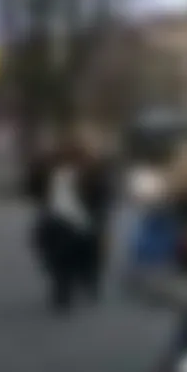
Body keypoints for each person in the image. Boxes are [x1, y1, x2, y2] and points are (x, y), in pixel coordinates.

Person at [28, 136, 98, 313]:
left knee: (69, 258)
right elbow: (33, 188)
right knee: (53, 255)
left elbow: (100, 195)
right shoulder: (49, 171)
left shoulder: (89, 173)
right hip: (54, 220)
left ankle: (64, 290)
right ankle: (63, 286)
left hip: (78, 221)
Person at [74, 127, 118, 299]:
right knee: (85, 249)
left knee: (93, 250)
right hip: (84, 214)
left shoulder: (101, 170)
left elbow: (108, 191)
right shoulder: (77, 170)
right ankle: (87, 280)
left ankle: (91, 282)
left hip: (94, 213)